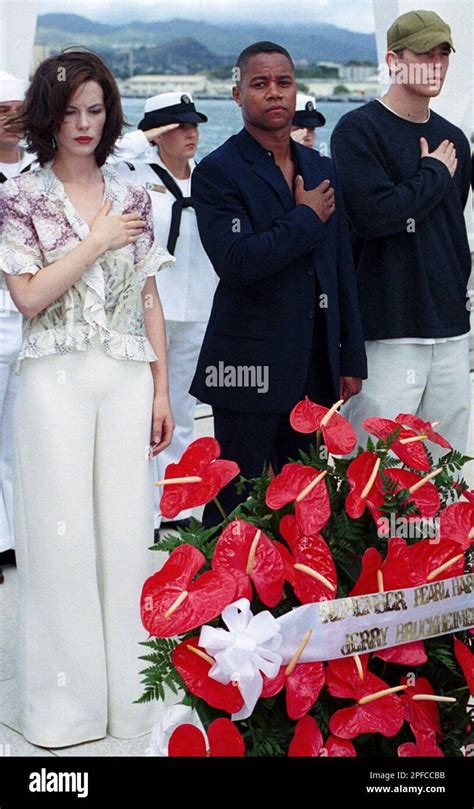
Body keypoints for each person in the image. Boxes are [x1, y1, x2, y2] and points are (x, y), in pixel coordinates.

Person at [0, 51, 175, 748]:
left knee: (128, 538)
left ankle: (134, 704)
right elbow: (31, 295)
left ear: (111, 115)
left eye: (96, 110)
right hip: (53, 380)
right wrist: (96, 240)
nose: (83, 123)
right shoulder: (19, 195)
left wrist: (163, 386)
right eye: (70, 110)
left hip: (128, 374)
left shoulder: (134, 192)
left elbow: (150, 292)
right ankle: (64, 711)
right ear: (48, 114)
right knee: (59, 540)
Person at [190, 41, 367, 528]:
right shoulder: (217, 172)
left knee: (303, 500)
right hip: (245, 371)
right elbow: (237, 261)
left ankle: (292, 604)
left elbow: (340, 268)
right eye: (260, 83)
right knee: (233, 502)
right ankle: (216, 605)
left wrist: (348, 359)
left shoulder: (322, 168)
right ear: (237, 93)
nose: (274, 93)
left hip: (314, 368)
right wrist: (306, 217)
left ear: (296, 91)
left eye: (284, 83)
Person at [331, 10, 471, 456]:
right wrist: (432, 174)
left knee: (443, 465)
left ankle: (432, 533)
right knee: (375, 466)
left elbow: (447, 227)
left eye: (443, 53)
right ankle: (380, 532)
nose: (436, 63)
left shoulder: (455, 140)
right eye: (423, 53)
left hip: (450, 327)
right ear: (393, 60)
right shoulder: (358, 130)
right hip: (387, 327)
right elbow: (373, 216)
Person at [111, 92, 218, 535]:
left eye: (194, 124)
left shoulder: (211, 179)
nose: (190, 133)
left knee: (181, 410)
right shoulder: (131, 174)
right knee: (140, 411)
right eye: (177, 125)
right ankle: (139, 508)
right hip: (147, 309)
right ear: (156, 133)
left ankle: (172, 509)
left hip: (198, 308)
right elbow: (96, 158)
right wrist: (140, 138)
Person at [0, 71, 36, 583]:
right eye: (0, 108)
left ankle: (15, 535)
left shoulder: (41, 174)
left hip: (35, 319)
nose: (11, 118)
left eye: (17, 108)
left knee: (22, 437)